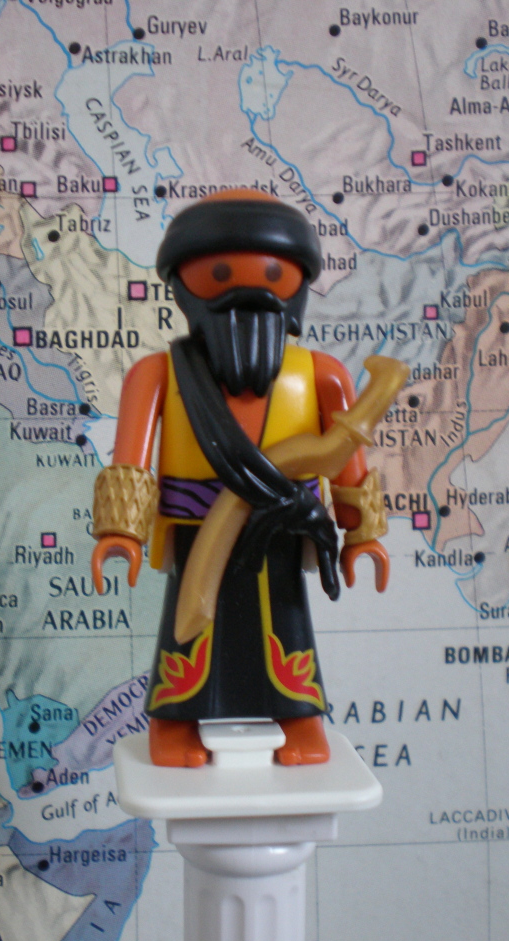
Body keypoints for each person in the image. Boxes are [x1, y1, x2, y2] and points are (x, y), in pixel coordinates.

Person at [91, 190, 390, 767]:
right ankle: (175, 722)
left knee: (287, 619)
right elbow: (130, 460)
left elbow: (347, 459)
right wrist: (121, 530)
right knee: (189, 622)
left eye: (273, 274)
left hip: (284, 521)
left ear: (296, 283)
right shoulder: (157, 373)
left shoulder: (323, 374)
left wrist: (361, 533)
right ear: (184, 284)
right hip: (195, 527)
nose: (246, 292)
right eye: (220, 275)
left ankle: (299, 718)